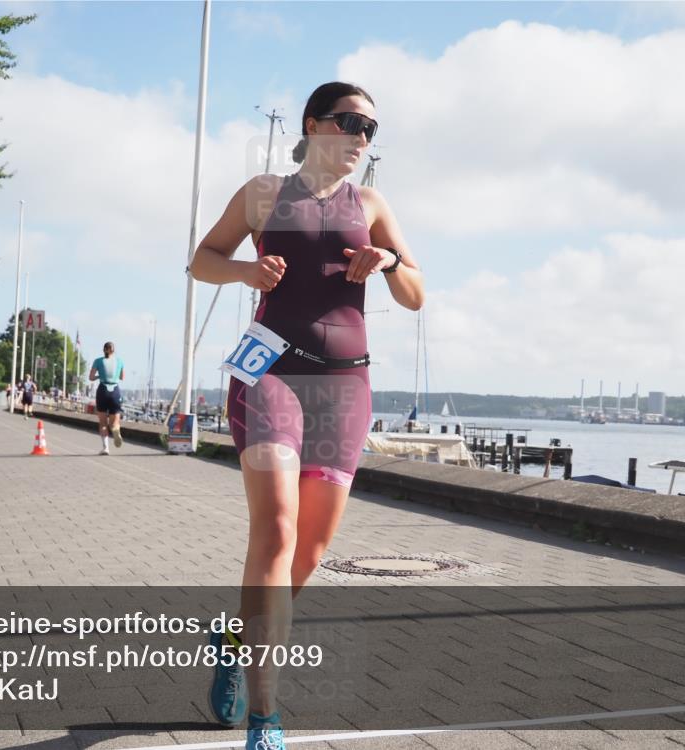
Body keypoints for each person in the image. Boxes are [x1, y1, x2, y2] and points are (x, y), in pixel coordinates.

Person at [189, 81, 424, 749]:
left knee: (312, 550)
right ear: (314, 124)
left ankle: (235, 638)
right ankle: (266, 717)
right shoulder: (263, 193)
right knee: (277, 530)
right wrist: (245, 273)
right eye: (350, 123)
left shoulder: (372, 204)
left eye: (371, 129)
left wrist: (386, 262)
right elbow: (201, 259)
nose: (361, 138)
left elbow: (415, 293)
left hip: (346, 387)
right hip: (269, 376)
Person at [88, 341, 125, 455]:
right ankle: (115, 429)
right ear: (113, 350)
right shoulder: (119, 361)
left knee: (103, 422)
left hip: (103, 390)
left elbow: (91, 377)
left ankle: (105, 448)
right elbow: (122, 377)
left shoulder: (98, 361)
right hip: (115, 391)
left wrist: (100, 375)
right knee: (115, 421)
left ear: (103, 350)